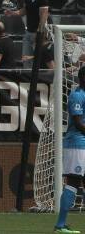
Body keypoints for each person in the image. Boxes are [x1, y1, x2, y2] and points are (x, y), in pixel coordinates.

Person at [55, 65, 85, 234]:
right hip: (77, 144)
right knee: (73, 183)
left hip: (83, 144)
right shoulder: (77, 95)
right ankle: (60, 226)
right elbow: (78, 122)